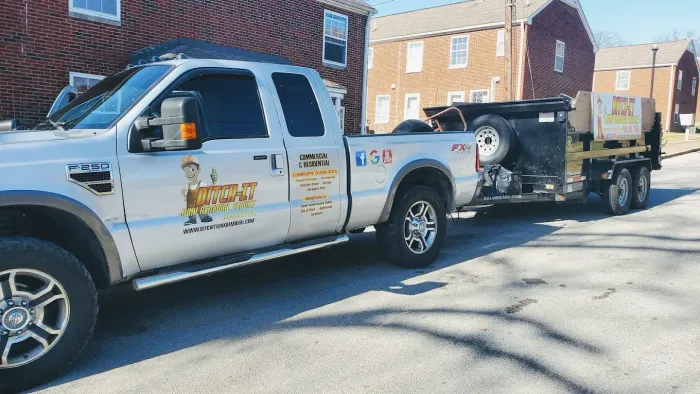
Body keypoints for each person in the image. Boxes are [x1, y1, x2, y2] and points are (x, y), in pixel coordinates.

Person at [180, 155, 214, 226]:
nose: (189, 173)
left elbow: (209, 189)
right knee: (190, 208)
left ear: (198, 169)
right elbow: (183, 191)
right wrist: (186, 197)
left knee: (200, 207)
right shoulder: (188, 185)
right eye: (186, 171)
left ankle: (204, 217)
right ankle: (192, 219)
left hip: (199, 200)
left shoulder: (201, 183)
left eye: (192, 169)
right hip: (191, 201)